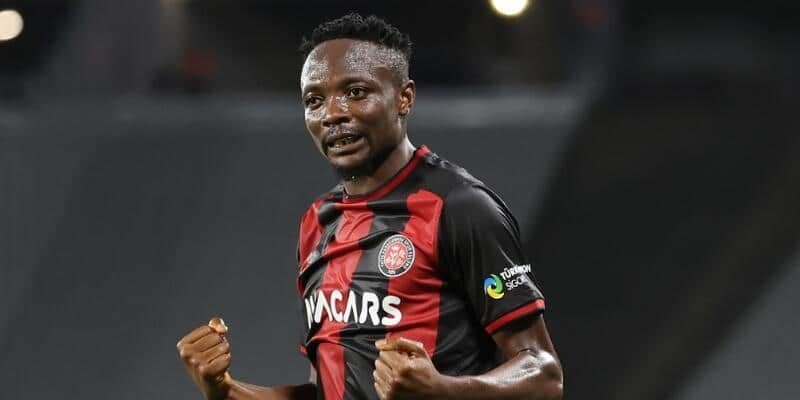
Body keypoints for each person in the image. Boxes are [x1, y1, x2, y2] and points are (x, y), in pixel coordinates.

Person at [176, 13, 563, 400]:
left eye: (356, 92)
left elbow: (545, 374)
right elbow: (324, 390)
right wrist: (225, 390)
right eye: (314, 100)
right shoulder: (318, 224)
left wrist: (444, 390)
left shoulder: (460, 208)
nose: (333, 113)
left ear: (404, 98)